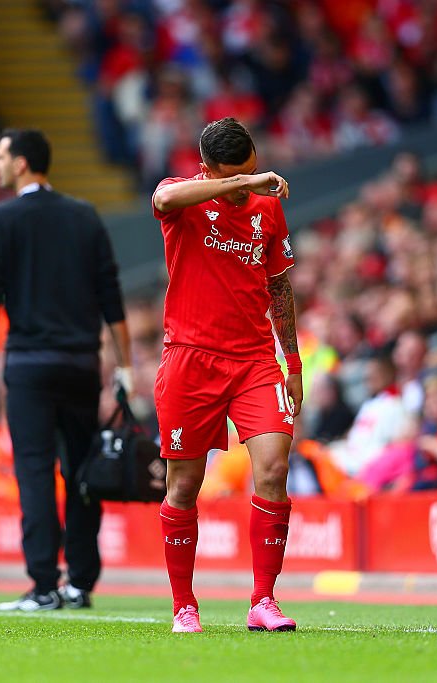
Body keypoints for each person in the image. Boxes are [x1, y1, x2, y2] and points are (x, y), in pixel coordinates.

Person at [0, 128, 133, 611]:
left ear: (23, 163)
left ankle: (43, 585)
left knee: (34, 473)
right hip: (80, 365)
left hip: (31, 366)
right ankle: (81, 583)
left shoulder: (0, 219)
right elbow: (110, 296)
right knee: (80, 472)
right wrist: (127, 366)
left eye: (1, 157)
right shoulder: (84, 216)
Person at [151, 117, 301, 634]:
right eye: (235, 179)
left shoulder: (267, 205)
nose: (247, 188)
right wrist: (242, 185)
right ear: (207, 171)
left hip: (255, 359)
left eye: (253, 173)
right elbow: (163, 200)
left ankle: (263, 600)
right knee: (185, 485)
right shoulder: (182, 197)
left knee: (274, 469)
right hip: (190, 359)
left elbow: (279, 288)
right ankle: (184, 606)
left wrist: (293, 362)